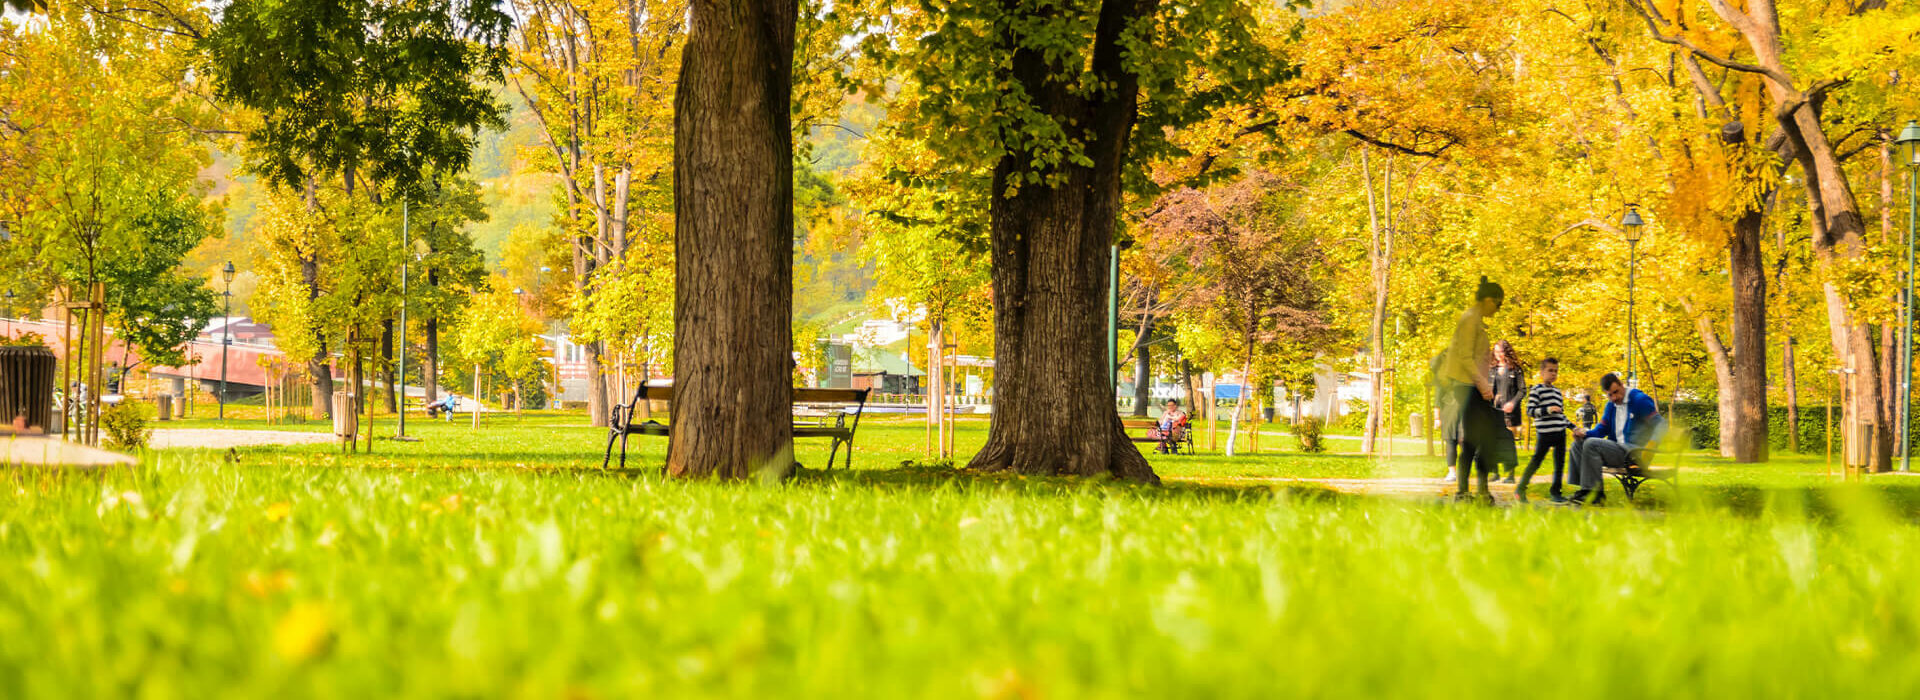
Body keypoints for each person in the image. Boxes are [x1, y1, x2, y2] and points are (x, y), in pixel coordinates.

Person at [1436, 276, 1511, 503]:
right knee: (1474, 438)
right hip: (1466, 387)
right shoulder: (1469, 319)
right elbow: (1465, 357)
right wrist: (1483, 385)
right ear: (1488, 300)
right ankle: (1466, 491)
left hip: (1473, 386)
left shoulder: (1476, 320)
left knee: (1484, 438)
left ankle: (1479, 491)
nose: (1498, 310)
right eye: (1498, 305)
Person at [1567, 372, 1660, 506]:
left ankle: (1596, 495)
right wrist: (1584, 433)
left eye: (1616, 392)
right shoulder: (1611, 406)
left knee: (1591, 444)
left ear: (1622, 385)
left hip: (1635, 453)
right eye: (1610, 395)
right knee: (1578, 444)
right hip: (1618, 450)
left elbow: (1660, 424)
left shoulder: (1639, 400)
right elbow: (1601, 429)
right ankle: (1585, 490)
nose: (1614, 397)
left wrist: (1652, 446)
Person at [1517, 357, 1571, 504]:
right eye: (1550, 370)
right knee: (1536, 461)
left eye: (1556, 371)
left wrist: (1573, 428)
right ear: (1542, 372)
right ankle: (1520, 489)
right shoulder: (1536, 390)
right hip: (1545, 433)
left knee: (1559, 464)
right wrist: (1548, 409)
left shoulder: (1558, 392)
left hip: (1560, 433)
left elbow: (1561, 415)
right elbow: (1530, 411)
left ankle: (1556, 493)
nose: (1553, 374)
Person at [1491, 340, 1525, 483]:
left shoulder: (1515, 369)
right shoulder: (1491, 369)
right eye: (1496, 351)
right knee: (1491, 441)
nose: (1498, 355)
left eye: (1500, 351)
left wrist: (1512, 403)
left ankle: (1510, 475)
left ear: (1507, 352)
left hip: (1510, 411)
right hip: (1493, 410)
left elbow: (1522, 390)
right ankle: (1495, 473)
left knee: (1508, 442)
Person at [1430, 352, 1463, 483]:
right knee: (1451, 442)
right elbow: (1437, 401)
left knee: (1464, 442)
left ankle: (1463, 471)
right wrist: (1437, 418)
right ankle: (1452, 472)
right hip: (1448, 414)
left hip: (1463, 414)